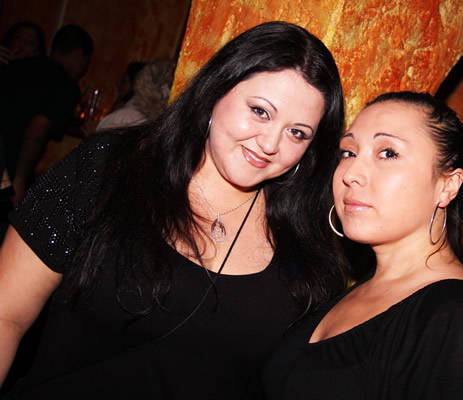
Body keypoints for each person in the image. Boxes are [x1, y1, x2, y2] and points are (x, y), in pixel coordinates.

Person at [0, 21, 347, 399]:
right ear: (217, 89)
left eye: (297, 132)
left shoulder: (306, 256)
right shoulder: (109, 169)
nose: (270, 143)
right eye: (260, 111)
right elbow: (6, 316)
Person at [263, 92, 463, 399]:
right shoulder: (352, 289)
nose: (351, 174)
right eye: (348, 153)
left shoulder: (462, 319)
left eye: (388, 153)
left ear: (447, 185)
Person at [0, 24, 93, 205]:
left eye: (30, 43)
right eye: (19, 39)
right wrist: (19, 180)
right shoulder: (63, 83)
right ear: (80, 56)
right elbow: (38, 126)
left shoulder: (18, 69)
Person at [96, 59, 175, 131]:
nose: (119, 85)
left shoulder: (121, 118)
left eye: (124, 81)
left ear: (135, 83)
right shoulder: (157, 120)